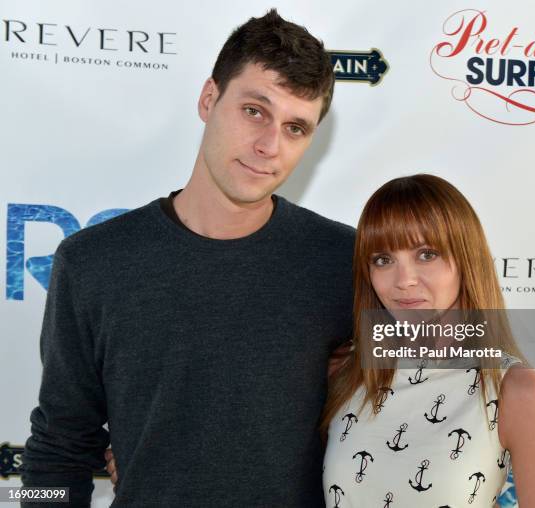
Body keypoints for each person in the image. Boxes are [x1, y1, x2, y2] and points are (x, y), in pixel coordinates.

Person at [21, 10, 354, 507]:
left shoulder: (343, 259)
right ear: (208, 99)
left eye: (296, 128)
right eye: (254, 111)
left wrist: (365, 365)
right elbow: (56, 453)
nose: (269, 146)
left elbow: (474, 351)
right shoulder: (92, 263)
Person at [319, 175, 535, 507]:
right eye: (383, 259)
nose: (404, 281)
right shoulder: (346, 375)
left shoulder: (518, 392)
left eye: (426, 254)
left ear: (466, 258)